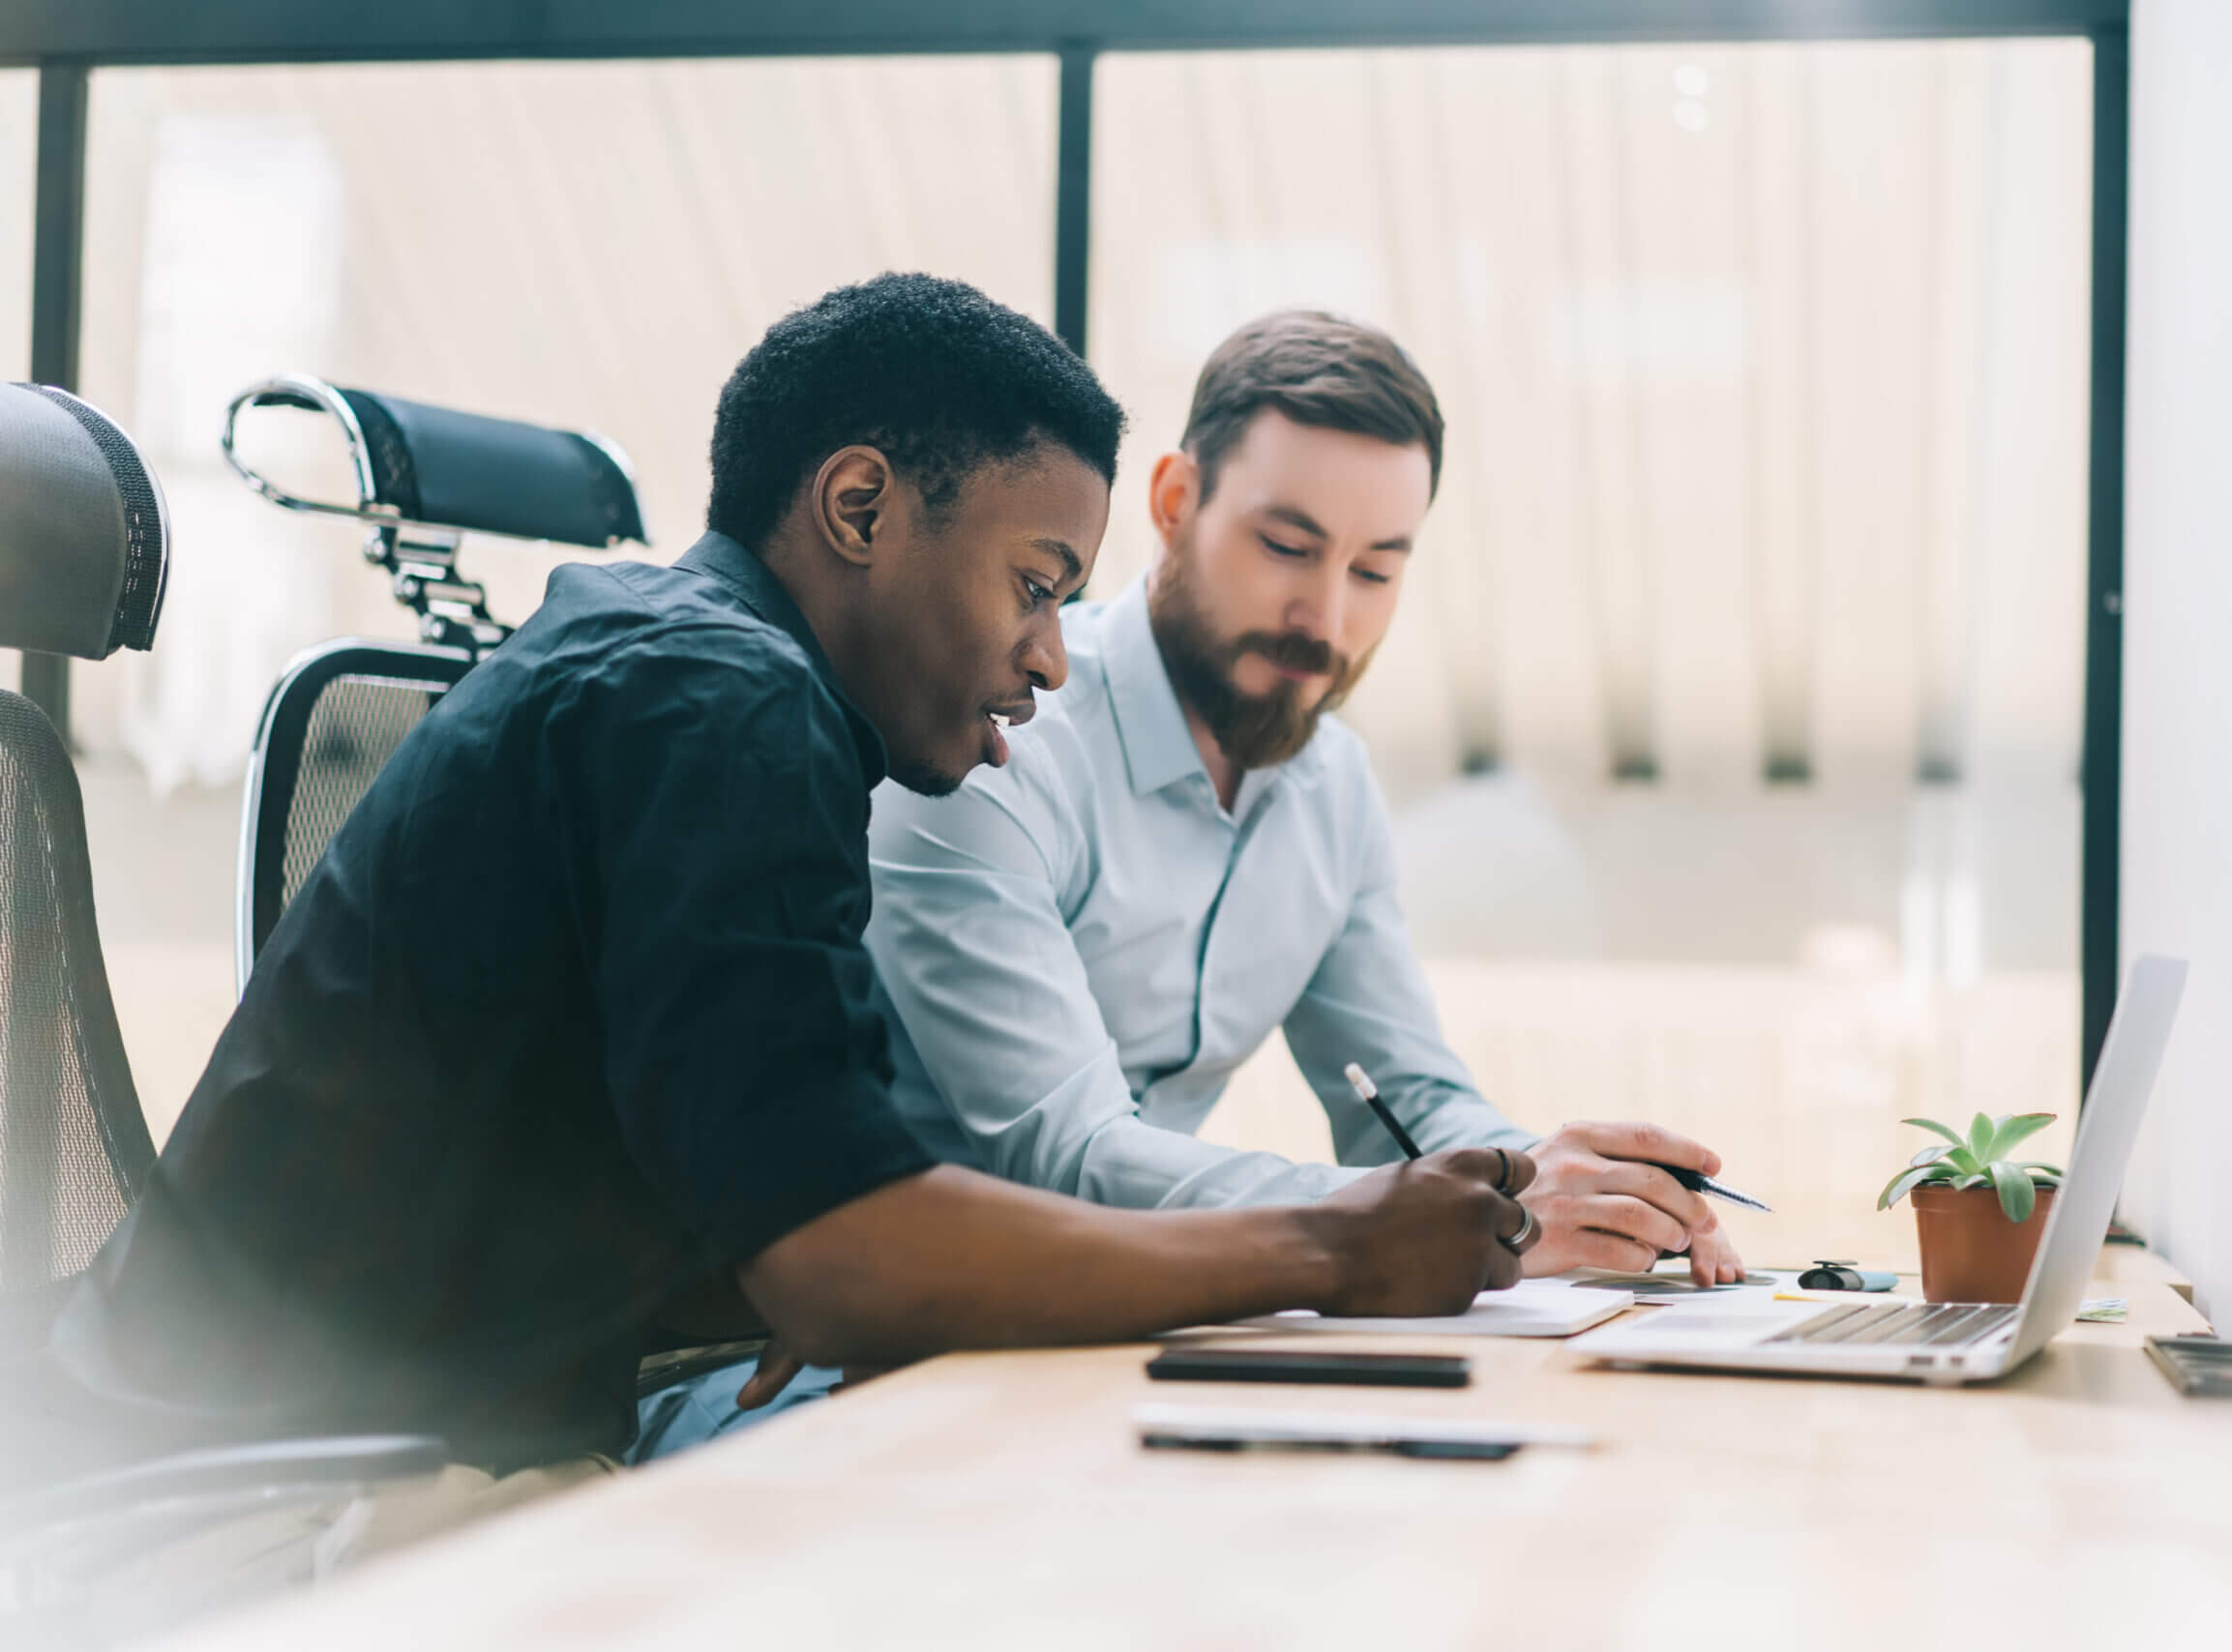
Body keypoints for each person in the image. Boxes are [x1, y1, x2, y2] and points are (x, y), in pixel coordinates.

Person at [27, 277, 1534, 1499]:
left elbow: (788, 1222)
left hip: (316, 1432)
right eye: (1033, 583)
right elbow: (847, 1257)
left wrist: (783, 1270)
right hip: (276, 1492)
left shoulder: (694, 671)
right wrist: (1337, 1251)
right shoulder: (724, 703)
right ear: (862, 509)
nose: (1052, 657)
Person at [864, 310, 1744, 1288]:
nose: (1325, 619)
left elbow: (1404, 1099)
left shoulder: (1332, 786)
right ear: (1172, 502)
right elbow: (1065, 1157)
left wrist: (1580, 1193)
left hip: (1135, 1319)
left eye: (1374, 570)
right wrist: (1453, 1216)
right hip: (904, 1328)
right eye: (1287, 546)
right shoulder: (993, 742)